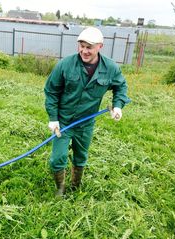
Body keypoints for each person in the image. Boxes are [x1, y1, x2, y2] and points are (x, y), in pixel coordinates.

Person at [44, 27, 131, 196]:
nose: (84, 51)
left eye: (89, 47)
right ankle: (60, 188)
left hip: (86, 124)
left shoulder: (111, 68)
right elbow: (51, 91)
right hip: (64, 122)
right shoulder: (65, 65)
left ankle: (76, 186)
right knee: (57, 158)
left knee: (81, 156)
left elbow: (121, 87)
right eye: (81, 46)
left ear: (100, 47)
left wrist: (118, 105)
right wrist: (53, 118)